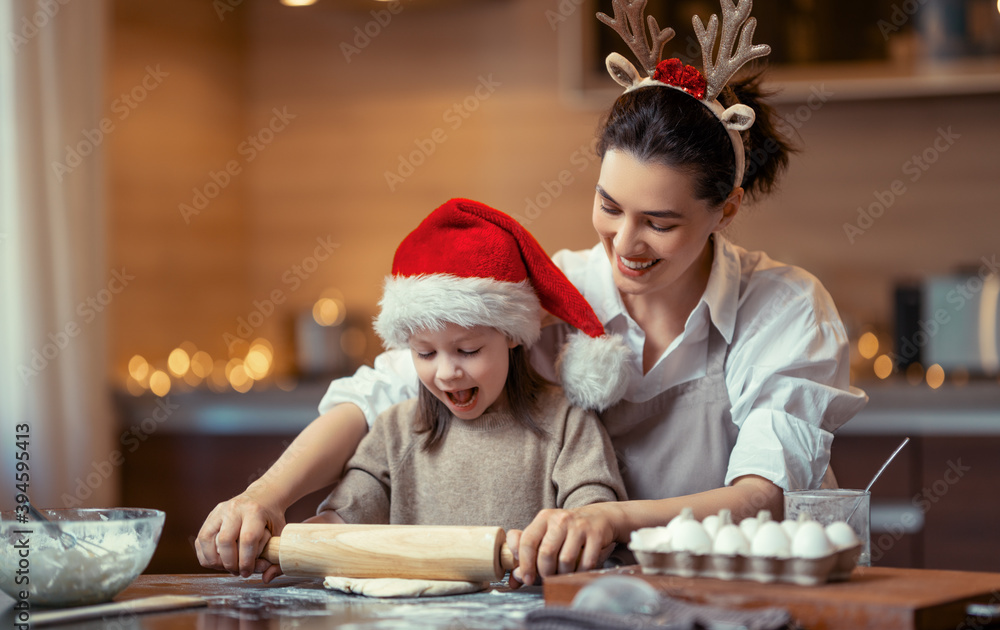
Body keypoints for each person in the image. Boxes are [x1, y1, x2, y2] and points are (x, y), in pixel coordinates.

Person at [196, 0, 867, 587]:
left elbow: (764, 496)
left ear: (727, 209)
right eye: (609, 206)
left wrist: (607, 517)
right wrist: (264, 496)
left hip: (737, 589)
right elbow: (382, 395)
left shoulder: (783, 308)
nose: (624, 242)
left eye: (659, 223)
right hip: (597, 598)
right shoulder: (546, 292)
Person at [199, 198, 630, 583]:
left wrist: (563, 538)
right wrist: (309, 547)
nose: (446, 373)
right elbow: (351, 511)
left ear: (512, 335)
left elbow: (592, 506)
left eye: (468, 349)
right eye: (425, 354)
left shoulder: (567, 422)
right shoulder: (396, 430)